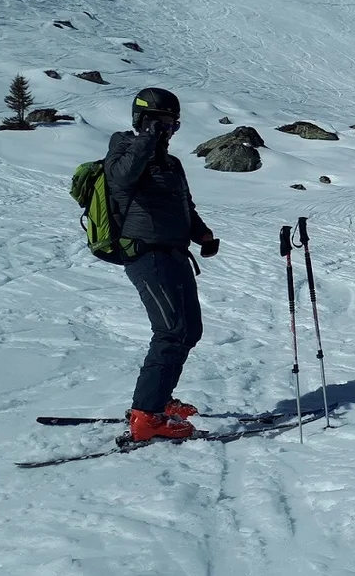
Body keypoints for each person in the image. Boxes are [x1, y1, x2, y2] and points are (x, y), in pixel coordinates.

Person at [105, 87, 218, 442]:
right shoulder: (123, 148)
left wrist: (202, 235)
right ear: (140, 120)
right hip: (144, 253)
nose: (164, 130)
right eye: (158, 122)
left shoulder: (172, 164)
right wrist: (146, 140)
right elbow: (122, 179)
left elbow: (185, 206)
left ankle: (160, 399)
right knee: (170, 331)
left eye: (171, 124)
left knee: (189, 330)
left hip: (174, 253)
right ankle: (146, 416)